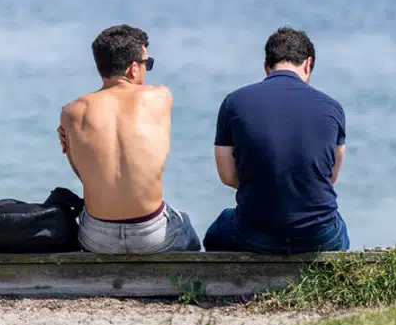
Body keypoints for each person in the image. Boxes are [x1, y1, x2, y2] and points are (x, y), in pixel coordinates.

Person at [203, 27, 349, 254]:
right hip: (318, 236)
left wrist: (264, 183)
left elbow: (228, 176)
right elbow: (330, 176)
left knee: (218, 230)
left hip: (256, 233)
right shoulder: (333, 108)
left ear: (266, 66)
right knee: (339, 228)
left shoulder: (234, 103)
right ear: (308, 64)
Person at [58, 24, 201, 253]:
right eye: (147, 64)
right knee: (186, 226)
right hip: (152, 234)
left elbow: (86, 175)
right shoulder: (160, 97)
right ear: (133, 69)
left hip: (98, 236)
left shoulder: (72, 112)